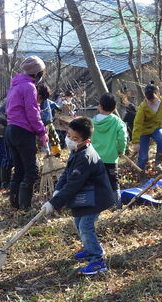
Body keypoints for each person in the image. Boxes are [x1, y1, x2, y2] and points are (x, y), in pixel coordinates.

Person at [40, 117, 115, 275]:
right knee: (78, 223)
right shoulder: (77, 151)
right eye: (69, 136)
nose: (70, 140)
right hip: (87, 195)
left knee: (85, 227)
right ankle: (89, 248)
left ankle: (98, 259)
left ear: (85, 140)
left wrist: (54, 203)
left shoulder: (85, 157)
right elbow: (67, 174)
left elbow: (73, 185)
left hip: (96, 197)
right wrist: (57, 189)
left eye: (75, 139)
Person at [6, 56, 49, 209]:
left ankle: (15, 205)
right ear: (37, 73)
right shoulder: (29, 87)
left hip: (11, 130)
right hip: (23, 131)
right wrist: (42, 132)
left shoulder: (15, 86)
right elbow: (32, 112)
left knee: (19, 169)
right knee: (31, 171)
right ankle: (25, 207)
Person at [91, 93, 128, 205]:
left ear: (100, 106)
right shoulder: (117, 121)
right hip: (111, 157)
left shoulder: (92, 122)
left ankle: (96, 205)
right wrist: (120, 150)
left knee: (95, 182)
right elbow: (122, 138)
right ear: (114, 107)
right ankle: (117, 205)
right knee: (113, 183)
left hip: (94, 158)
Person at [37, 84, 62, 156]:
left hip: (49, 122)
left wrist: (58, 108)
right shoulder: (37, 101)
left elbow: (52, 104)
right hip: (41, 124)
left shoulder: (47, 100)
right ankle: (37, 155)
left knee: (54, 137)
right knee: (40, 141)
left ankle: (57, 152)